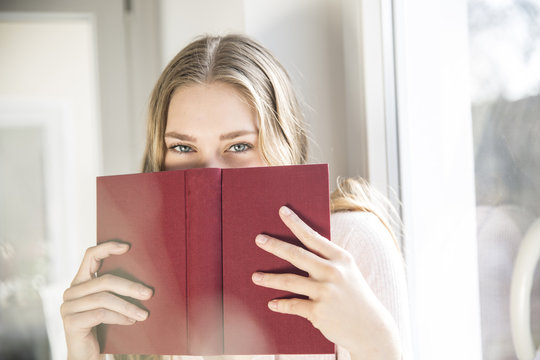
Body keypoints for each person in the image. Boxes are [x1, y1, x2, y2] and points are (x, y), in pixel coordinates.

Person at [60, 34, 411, 360]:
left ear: (283, 144)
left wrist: (377, 343)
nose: (210, 172)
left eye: (239, 145)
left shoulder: (351, 241)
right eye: (182, 147)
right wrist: (84, 354)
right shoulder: (145, 268)